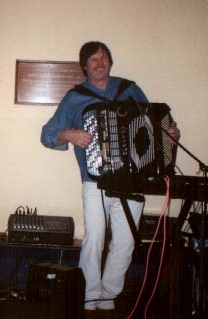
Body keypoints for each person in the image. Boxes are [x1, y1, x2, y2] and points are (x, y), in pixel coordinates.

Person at [41, 41, 180, 315]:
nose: (100, 62)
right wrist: (69, 135)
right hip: (96, 180)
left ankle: (108, 294)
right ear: (84, 66)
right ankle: (90, 296)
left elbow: (153, 124)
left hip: (135, 177)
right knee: (94, 237)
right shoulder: (75, 97)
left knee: (127, 240)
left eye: (104, 57)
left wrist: (169, 134)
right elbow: (47, 134)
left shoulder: (129, 89)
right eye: (93, 59)